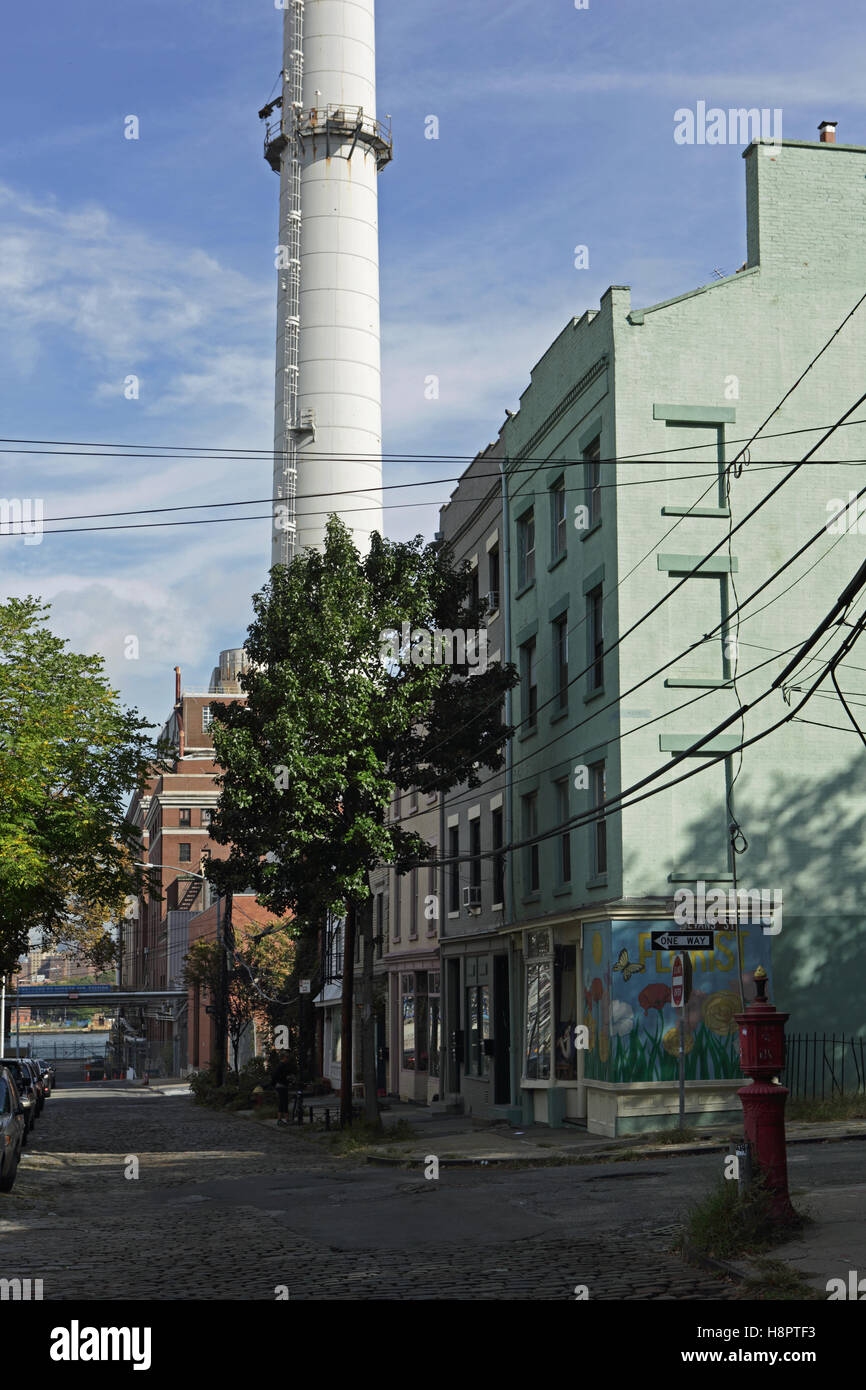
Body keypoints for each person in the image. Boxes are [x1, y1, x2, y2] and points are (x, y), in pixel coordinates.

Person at [271, 1051, 292, 1126]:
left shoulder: (280, 1066)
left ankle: (284, 1119)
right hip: (281, 1086)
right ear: (284, 1058)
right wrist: (286, 1079)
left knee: (283, 1102)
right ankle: (282, 1119)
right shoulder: (282, 1066)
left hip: (280, 1086)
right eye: (287, 1057)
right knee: (283, 1102)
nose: (288, 1059)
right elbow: (278, 1076)